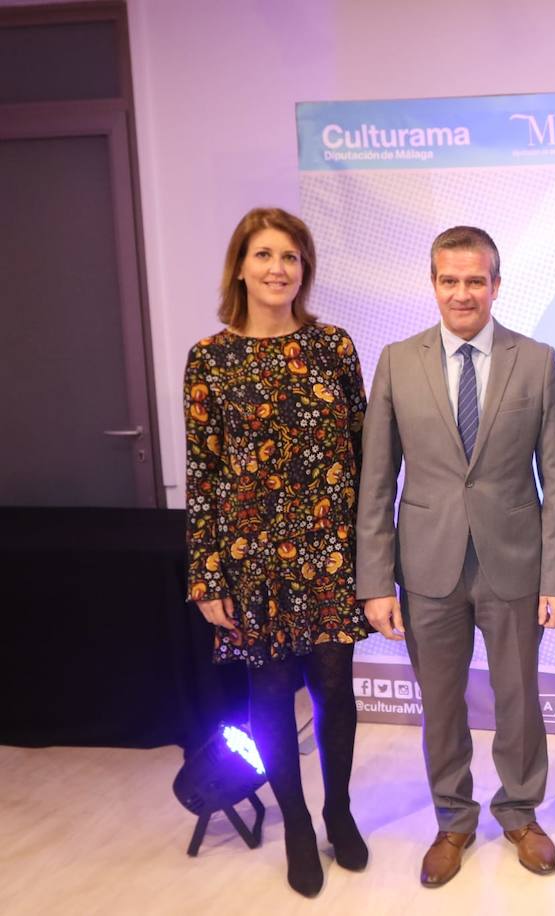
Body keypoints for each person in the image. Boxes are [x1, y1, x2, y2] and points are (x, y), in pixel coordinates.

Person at [355, 226, 555, 888]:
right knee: (441, 705)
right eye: (449, 280)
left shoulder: (534, 360)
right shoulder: (397, 360)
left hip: (514, 560)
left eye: (475, 280)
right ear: (433, 284)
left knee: (519, 701)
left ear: (496, 285)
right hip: (426, 568)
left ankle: (520, 813)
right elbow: (376, 478)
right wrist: (375, 582)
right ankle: (453, 819)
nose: (462, 292)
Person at [184, 207, 369, 897]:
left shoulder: (333, 348)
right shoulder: (210, 359)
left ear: (304, 270)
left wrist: (374, 552)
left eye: (290, 257)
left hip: (330, 553)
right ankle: (295, 822)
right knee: (267, 700)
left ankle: (339, 811)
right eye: (264, 255)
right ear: (240, 266)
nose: (277, 268)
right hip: (251, 560)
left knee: (333, 691)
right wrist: (206, 577)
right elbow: (203, 473)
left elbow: (366, 455)